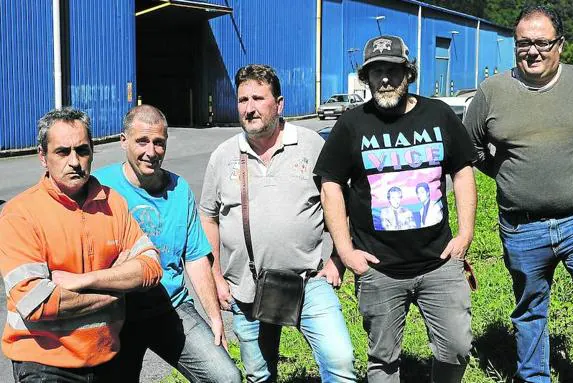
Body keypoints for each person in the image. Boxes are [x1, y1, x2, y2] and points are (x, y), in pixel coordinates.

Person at [464, 5, 573, 383]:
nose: (532, 51)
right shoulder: (491, 92)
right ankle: (532, 376)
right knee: (530, 308)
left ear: (560, 45)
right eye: (523, 43)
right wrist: (508, 174)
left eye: (542, 43)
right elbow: (470, 148)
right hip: (522, 227)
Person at [314, 35, 477, 383]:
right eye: (376, 72)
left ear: (408, 73)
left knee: (458, 348)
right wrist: (344, 251)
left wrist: (465, 234)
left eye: (393, 70)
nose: (385, 79)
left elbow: (463, 171)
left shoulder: (439, 114)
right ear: (366, 78)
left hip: (440, 262)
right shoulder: (352, 124)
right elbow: (331, 185)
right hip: (379, 269)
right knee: (383, 359)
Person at [199, 64, 356, 382]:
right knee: (259, 374)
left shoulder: (311, 145)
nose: (249, 108)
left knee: (340, 361)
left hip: (308, 281)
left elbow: (339, 206)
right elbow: (209, 215)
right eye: (243, 100)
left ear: (279, 104)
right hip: (247, 289)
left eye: (258, 98)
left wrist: (339, 259)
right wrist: (215, 276)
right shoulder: (224, 155)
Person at [0, 107, 163, 382]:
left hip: (107, 356)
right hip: (44, 362)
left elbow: (151, 268)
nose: (75, 161)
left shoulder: (113, 203)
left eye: (83, 150)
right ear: (43, 156)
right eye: (63, 152)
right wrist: (117, 291)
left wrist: (81, 281)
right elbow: (36, 303)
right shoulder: (20, 214)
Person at [93, 105, 241, 383]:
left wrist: (214, 317)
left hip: (170, 307)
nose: (151, 151)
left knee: (226, 377)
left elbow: (196, 258)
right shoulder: (100, 187)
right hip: (119, 312)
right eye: (142, 141)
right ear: (123, 141)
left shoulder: (179, 188)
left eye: (158, 142)